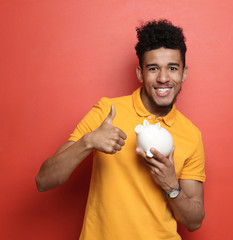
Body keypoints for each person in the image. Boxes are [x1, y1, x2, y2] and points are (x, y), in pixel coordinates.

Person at [36, 19, 206, 240]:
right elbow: (43, 180)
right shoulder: (108, 112)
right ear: (139, 73)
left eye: (172, 68)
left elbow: (194, 222)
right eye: (153, 68)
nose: (163, 78)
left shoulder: (191, 135)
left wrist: (171, 185)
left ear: (183, 73)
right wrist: (88, 142)